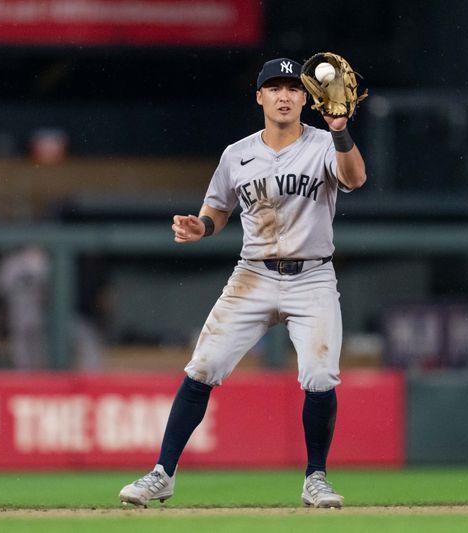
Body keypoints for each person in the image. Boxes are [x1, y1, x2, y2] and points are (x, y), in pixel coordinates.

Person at [118, 57, 367, 509]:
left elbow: (355, 178)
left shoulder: (325, 144)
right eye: (274, 87)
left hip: (312, 275)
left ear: (306, 96)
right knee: (202, 368)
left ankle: (316, 478)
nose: (284, 95)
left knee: (319, 375)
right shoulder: (237, 153)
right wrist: (202, 227)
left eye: (293, 87)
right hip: (252, 273)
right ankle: (162, 474)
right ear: (260, 97)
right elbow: (217, 208)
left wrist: (340, 130)